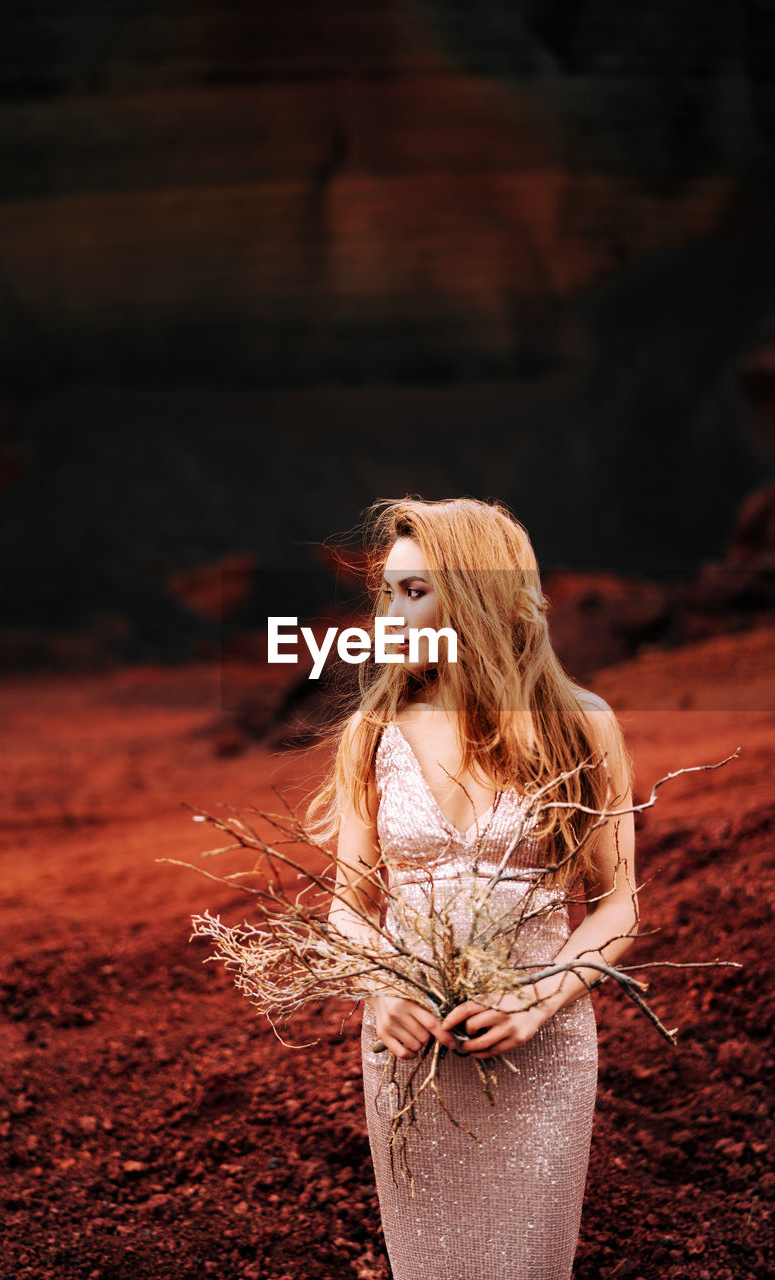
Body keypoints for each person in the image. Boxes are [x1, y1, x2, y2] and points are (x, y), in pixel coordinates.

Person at [308, 496, 637, 1280]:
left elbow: (617, 907)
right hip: (410, 1053)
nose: (389, 611)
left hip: (542, 1049)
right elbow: (349, 905)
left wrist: (538, 998)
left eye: (414, 590)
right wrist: (377, 989)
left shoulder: (580, 725)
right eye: (386, 591)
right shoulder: (372, 733)